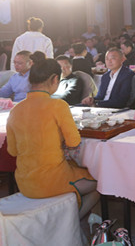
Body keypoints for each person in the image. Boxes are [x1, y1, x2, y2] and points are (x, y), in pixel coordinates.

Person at [6, 58, 99, 219]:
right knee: (101, 184)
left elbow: (12, 151)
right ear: (55, 79)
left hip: (25, 184)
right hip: (53, 181)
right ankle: (69, 221)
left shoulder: (15, 110)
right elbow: (74, 142)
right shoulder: (58, 106)